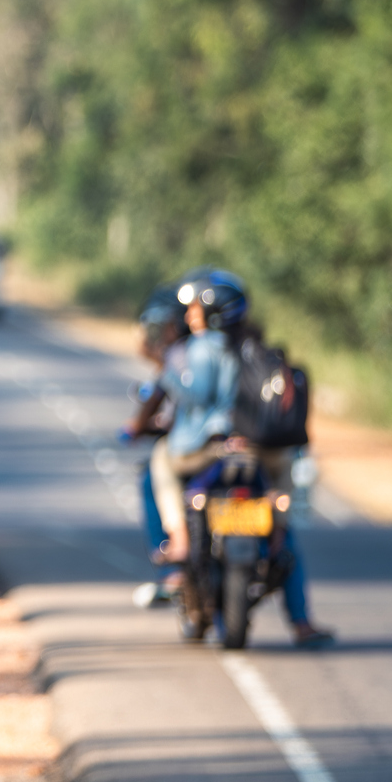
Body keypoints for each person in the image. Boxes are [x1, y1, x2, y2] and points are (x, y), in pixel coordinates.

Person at [150, 269, 335, 648]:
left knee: (160, 461)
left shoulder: (199, 350)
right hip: (261, 452)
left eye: (196, 308)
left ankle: (180, 537)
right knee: (281, 527)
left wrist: (169, 372)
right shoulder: (257, 347)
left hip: (206, 448)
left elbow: (196, 395)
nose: (189, 316)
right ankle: (300, 621)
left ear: (212, 312)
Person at [120, 284, 188, 606]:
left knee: (153, 480)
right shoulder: (236, 348)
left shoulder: (180, 357)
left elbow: (158, 397)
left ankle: (174, 564)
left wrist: (138, 426)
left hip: (192, 445)